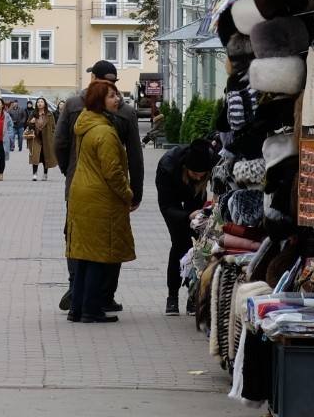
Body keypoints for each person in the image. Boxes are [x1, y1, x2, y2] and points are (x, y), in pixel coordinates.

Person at [56, 60, 142, 311]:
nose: (115, 96)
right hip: (105, 190)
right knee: (109, 241)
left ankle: (77, 289)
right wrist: (133, 192)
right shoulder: (118, 116)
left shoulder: (75, 107)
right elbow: (132, 156)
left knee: (77, 237)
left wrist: (68, 171)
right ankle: (101, 295)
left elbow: (60, 144)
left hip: (77, 183)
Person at [155, 137, 216, 315]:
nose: (199, 176)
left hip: (195, 196)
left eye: (203, 174)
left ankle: (193, 295)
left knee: (197, 245)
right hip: (173, 197)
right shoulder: (168, 166)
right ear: (185, 168)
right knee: (179, 243)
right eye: (195, 173)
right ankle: (172, 297)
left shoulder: (209, 160)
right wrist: (186, 216)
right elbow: (167, 207)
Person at [24, 100, 54, 181]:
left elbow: (53, 127)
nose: (40, 103)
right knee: (35, 156)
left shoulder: (49, 114)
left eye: (42, 102)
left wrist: (53, 137)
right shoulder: (33, 113)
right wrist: (31, 122)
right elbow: (28, 125)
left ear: (45, 104)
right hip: (35, 138)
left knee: (45, 156)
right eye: (38, 102)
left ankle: (45, 173)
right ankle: (34, 174)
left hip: (46, 138)